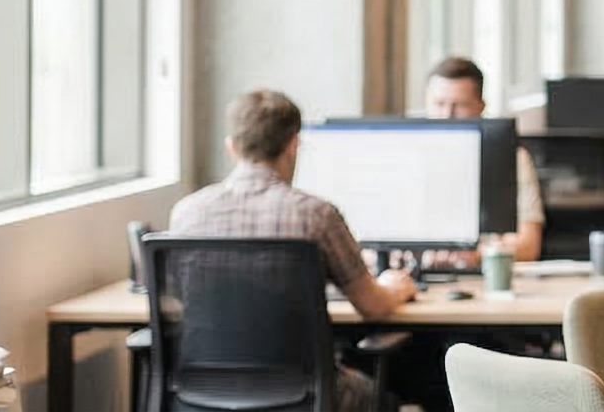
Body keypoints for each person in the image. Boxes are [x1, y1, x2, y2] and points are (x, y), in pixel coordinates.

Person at [168, 89, 417, 412]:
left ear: (232, 147)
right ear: (293, 145)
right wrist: (395, 288)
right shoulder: (316, 216)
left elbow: (180, 301)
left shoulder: (187, 213)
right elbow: (372, 307)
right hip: (308, 396)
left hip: (203, 395)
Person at [421, 56, 544, 263]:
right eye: (439, 104)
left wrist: (473, 254)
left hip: (483, 274)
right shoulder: (408, 157)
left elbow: (529, 246)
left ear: (480, 106)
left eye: (458, 105)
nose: (447, 115)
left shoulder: (511, 158)